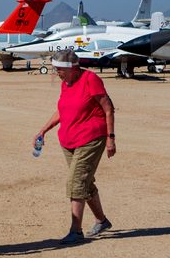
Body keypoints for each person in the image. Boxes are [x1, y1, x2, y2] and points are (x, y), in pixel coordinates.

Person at [33, 50, 116, 244]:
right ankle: (102, 221)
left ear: (73, 68)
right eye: (55, 69)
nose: (57, 73)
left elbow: (108, 108)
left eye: (60, 69)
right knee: (83, 182)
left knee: (75, 183)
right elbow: (62, 110)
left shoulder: (90, 79)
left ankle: (75, 231)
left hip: (91, 138)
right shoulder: (66, 83)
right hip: (69, 140)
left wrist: (111, 138)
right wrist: (43, 130)